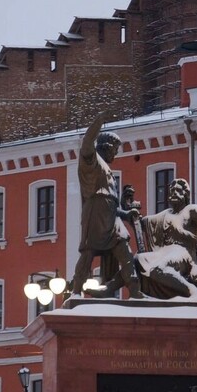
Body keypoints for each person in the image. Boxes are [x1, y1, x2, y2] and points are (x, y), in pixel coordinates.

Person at [70, 112, 142, 298]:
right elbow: (86, 143)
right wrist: (99, 121)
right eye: (114, 151)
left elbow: (110, 201)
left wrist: (125, 214)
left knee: (124, 249)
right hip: (95, 215)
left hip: (111, 216)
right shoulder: (91, 162)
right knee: (88, 251)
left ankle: (134, 291)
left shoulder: (107, 169)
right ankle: (76, 291)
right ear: (106, 147)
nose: (115, 155)